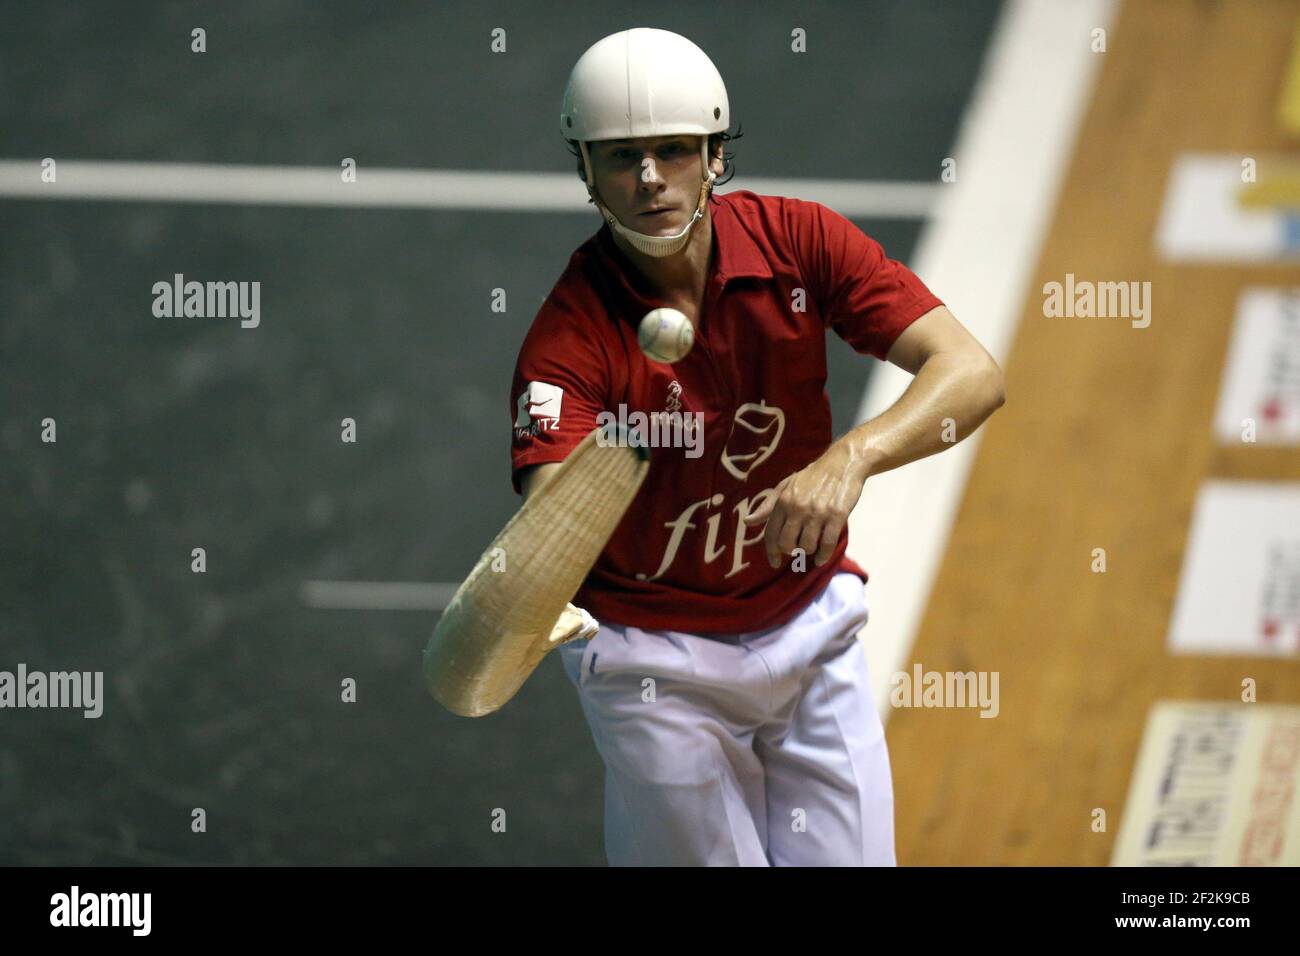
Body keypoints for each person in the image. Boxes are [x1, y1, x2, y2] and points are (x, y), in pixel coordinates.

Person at [509, 28, 1005, 865]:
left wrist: (851, 458)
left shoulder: (800, 243)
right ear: (586, 169)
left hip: (807, 625)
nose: (651, 179)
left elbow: (970, 374)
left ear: (714, 155)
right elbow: (552, 518)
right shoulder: (567, 340)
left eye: (674, 150)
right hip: (654, 666)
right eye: (622, 156)